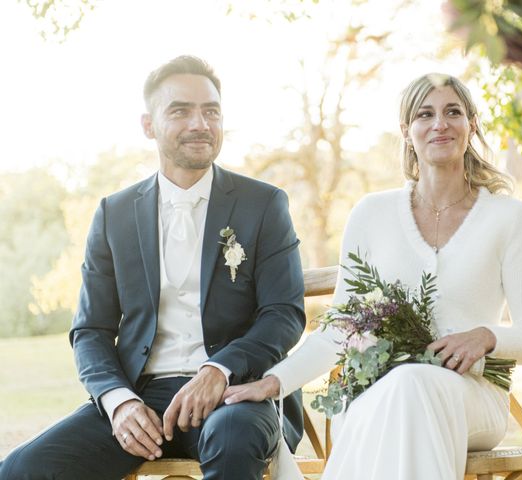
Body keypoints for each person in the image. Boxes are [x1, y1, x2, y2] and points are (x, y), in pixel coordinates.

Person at [222, 72, 522, 479]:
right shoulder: (371, 214)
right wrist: (274, 382)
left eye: (454, 112)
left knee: (410, 384)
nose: (440, 124)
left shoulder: (509, 216)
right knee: (394, 391)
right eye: (425, 114)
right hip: (380, 392)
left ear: (472, 124)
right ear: (406, 132)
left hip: (475, 399)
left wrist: (485, 336)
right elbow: (340, 329)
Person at [0, 55, 306, 480]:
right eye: (180, 110)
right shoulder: (114, 213)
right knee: (22, 469)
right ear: (148, 125)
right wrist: (118, 401)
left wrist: (218, 370)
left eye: (211, 111)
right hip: (141, 397)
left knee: (234, 441)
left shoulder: (264, 204)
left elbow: (284, 314)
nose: (200, 123)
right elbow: (91, 331)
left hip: (236, 393)